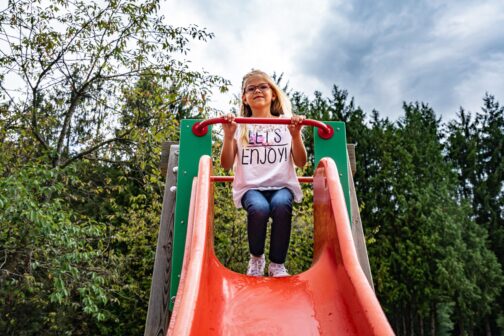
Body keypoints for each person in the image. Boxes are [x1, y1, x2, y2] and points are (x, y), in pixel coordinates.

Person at [220, 69, 307, 277]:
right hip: (252, 187)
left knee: (281, 205)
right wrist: (228, 135)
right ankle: (256, 258)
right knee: (258, 209)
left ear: (273, 93)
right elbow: (225, 164)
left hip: (281, 185)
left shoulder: (287, 122)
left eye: (263, 86)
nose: (257, 90)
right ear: (245, 98)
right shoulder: (240, 125)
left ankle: (277, 264)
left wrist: (296, 136)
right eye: (251, 88)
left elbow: (301, 162)